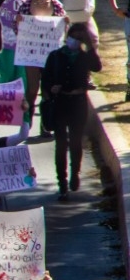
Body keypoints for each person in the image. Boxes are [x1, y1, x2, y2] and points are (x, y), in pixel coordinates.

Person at [41, 24, 101, 199]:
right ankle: (62, 181)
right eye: (73, 36)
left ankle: (75, 172)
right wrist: (51, 89)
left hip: (78, 103)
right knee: (61, 144)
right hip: (60, 103)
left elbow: (97, 67)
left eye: (79, 38)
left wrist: (90, 46)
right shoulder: (55, 56)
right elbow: (45, 79)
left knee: (76, 142)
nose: (75, 40)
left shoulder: (84, 57)